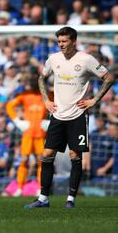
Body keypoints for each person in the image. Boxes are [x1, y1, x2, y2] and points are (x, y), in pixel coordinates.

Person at [25, 27, 115, 209]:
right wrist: (46, 101)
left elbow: (108, 77)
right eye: (59, 41)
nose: (61, 45)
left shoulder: (86, 60)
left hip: (78, 116)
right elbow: (42, 78)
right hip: (57, 115)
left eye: (64, 41)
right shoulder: (54, 59)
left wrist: (94, 100)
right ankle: (43, 198)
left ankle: (71, 199)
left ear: (73, 41)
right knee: (47, 154)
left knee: (75, 155)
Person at [6, 70, 48, 196]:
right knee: (24, 160)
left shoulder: (47, 95)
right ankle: (19, 187)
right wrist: (17, 121)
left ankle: (41, 188)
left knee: (42, 161)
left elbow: (59, 107)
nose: (31, 84)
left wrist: (51, 121)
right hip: (28, 134)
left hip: (40, 133)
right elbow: (9, 106)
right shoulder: (24, 95)